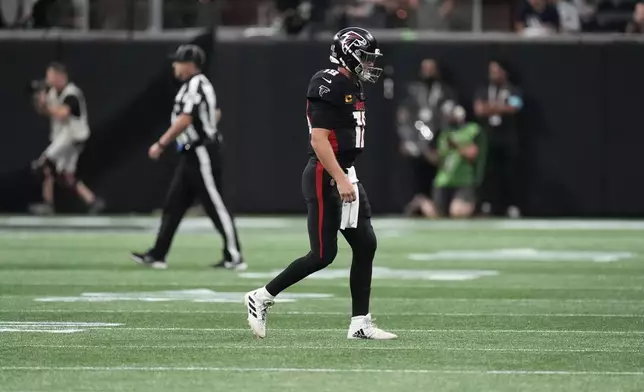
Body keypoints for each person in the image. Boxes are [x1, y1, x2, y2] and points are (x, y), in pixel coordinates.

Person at [244, 27, 396, 340]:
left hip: (344, 172)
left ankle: (360, 324)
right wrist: (339, 177)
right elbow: (319, 139)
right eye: (364, 58)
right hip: (325, 175)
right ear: (347, 53)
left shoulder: (351, 82)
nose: (369, 65)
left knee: (366, 243)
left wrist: (345, 174)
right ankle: (261, 297)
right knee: (323, 255)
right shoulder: (329, 81)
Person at [130, 45, 245, 271]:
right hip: (192, 153)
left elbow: (185, 119)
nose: (174, 66)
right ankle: (158, 254)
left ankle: (234, 255)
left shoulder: (195, 84)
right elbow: (214, 113)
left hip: (202, 152)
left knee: (215, 205)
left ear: (190, 65)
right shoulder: (195, 85)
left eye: (178, 62)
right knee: (174, 205)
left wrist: (161, 143)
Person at [31, 62, 105, 215]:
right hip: (63, 136)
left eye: (51, 76)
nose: (48, 79)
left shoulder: (72, 93)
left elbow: (62, 113)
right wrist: (40, 101)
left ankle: (47, 203)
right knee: (65, 175)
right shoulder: (52, 93)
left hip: (73, 135)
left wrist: (45, 106)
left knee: (44, 164)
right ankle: (93, 201)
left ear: (61, 76)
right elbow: (45, 112)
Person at [397, 59, 457, 216]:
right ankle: (419, 203)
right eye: (425, 68)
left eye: (431, 68)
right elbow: (403, 116)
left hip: (437, 142)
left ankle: (438, 205)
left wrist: (442, 143)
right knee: (416, 174)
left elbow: (449, 117)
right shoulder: (413, 91)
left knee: (438, 176)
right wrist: (407, 140)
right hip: (416, 142)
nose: (427, 72)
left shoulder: (445, 91)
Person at [417, 105, 487, 218]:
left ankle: (475, 208)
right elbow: (439, 160)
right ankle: (421, 202)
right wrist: (424, 149)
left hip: (463, 179)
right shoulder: (444, 134)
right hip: (443, 181)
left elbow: (472, 154)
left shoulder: (472, 130)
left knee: (458, 212)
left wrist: (456, 145)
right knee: (437, 215)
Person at [474, 60, 523, 218]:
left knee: (509, 174)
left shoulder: (513, 90)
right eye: (491, 71)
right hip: (488, 138)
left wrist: (491, 107)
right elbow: (479, 109)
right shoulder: (483, 90)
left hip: (508, 138)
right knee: (488, 174)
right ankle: (488, 205)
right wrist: (501, 107)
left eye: (496, 71)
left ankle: (511, 205)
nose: (493, 74)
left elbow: (515, 107)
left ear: (504, 72)